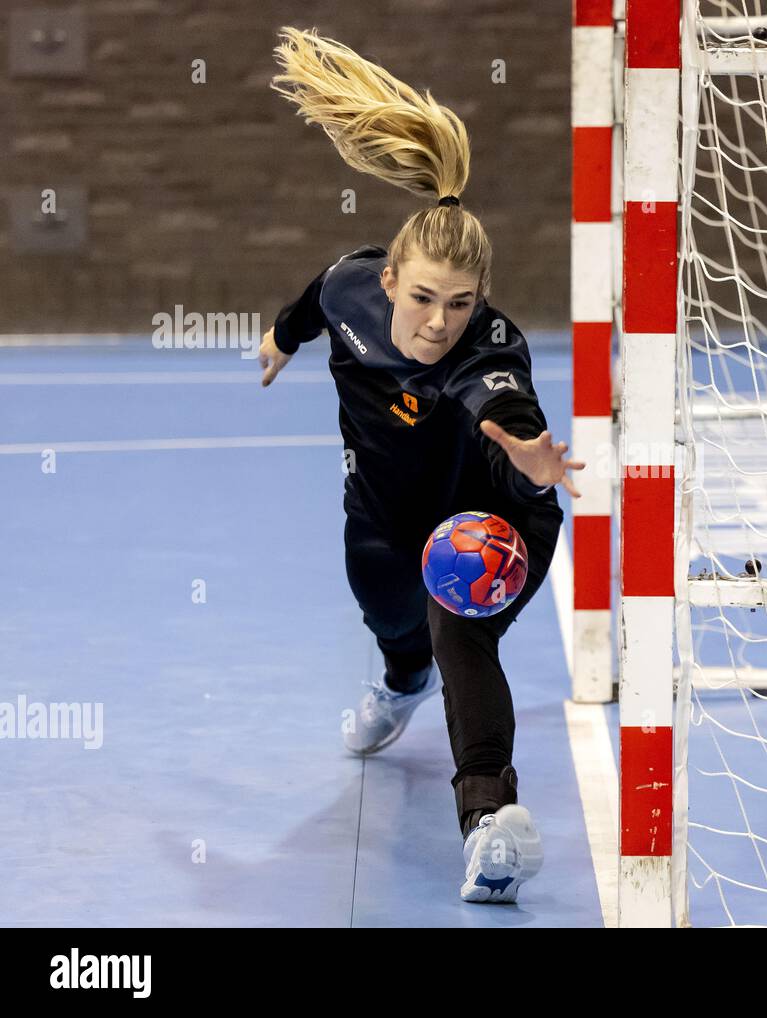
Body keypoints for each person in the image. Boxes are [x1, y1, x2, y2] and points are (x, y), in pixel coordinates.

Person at [259, 27, 583, 904]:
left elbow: (506, 414)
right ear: (393, 276)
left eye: (463, 303)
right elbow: (310, 302)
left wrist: (528, 464)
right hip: (382, 514)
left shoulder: (488, 351)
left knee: (457, 619)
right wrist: (281, 340)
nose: (442, 321)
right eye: (427, 298)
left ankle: (492, 827)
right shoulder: (351, 285)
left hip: (487, 517)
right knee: (393, 623)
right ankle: (400, 683)